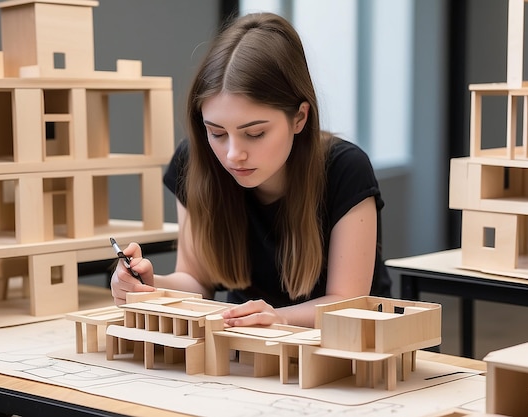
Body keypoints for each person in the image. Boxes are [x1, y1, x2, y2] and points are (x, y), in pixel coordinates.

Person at [111, 12, 391, 328]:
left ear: (299, 117)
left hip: (354, 351)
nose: (233, 154)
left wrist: (275, 318)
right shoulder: (196, 161)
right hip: (251, 349)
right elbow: (196, 280)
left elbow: (347, 302)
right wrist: (149, 286)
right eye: (216, 132)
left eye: (255, 133)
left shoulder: (345, 168)